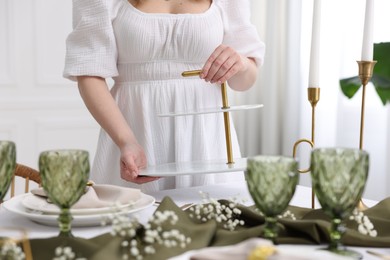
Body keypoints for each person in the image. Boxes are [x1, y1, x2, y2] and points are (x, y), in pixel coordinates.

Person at [63, 0, 265, 193]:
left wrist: (241, 63)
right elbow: (89, 74)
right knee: (132, 223)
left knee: (213, 220)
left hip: (207, 141)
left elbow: (243, 82)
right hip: (133, 135)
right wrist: (126, 142)